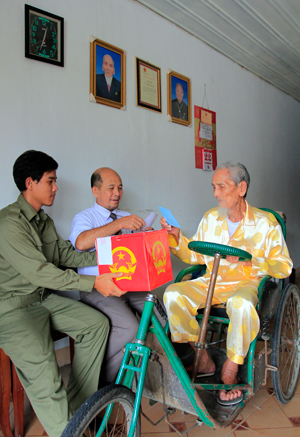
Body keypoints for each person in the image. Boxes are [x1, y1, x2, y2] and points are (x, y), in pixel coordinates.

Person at [0, 150, 123, 437]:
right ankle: (71, 430)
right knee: (45, 373)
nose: (56, 188)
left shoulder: (43, 221)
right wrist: (94, 284)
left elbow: (66, 254)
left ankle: (75, 420)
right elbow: (40, 271)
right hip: (12, 309)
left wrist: (109, 260)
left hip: (43, 299)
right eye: (51, 181)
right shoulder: (9, 223)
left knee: (96, 325)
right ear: (30, 183)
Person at [161, 162, 292, 405]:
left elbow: (283, 266)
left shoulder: (266, 223)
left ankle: (231, 368)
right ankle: (202, 357)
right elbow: (196, 255)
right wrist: (178, 239)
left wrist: (250, 260)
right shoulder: (211, 218)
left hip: (247, 282)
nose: (215, 193)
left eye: (221, 186)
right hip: (213, 281)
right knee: (172, 294)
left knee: (241, 303)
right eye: (213, 187)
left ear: (241, 188)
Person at [69, 167, 153, 382]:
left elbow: (139, 245)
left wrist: (150, 234)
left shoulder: (127, 216)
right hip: (99, 288)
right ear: (95, 191)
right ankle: (97, 383)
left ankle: (172, 372)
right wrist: (117, 224)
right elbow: (80, 243)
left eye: (120, 188)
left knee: (161, 313)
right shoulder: (85, 217)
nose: (117, 193)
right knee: (129, 328)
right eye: (111, 188)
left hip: (130, 284)